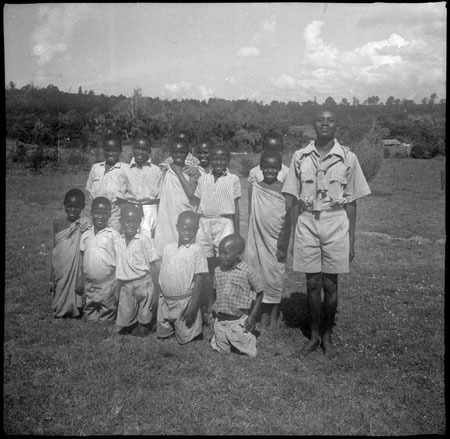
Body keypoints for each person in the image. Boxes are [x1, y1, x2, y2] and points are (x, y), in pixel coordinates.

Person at [282, 109, 371, 358]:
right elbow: (291, 199)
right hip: (308, 221)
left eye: (330, 120)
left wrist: (351, 240)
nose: (325, 123)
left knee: (331, 284)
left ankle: (327, 336)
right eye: (320, 119)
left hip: (335, 221)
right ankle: (312, 337)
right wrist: (292, 237)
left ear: (336, 126)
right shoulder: (300, 157)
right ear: (314, 124)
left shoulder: (348, 158)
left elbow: (352, 202)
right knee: (312, 283)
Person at [244, 150, 292, 331]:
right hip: (257, 238)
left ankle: (274, 312)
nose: (270, 171)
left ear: (280, 169)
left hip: (276, 239)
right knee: (258, 274)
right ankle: (263, 312)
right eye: (266, 167)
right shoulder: (255, 187)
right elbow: (251, 213)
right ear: (260, 168)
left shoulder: (285, 189)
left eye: (274, 168)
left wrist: (283, 242)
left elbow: (289, 218)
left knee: (275, 275)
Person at [194, 144, 241, 319]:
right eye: (215, 159)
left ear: (228, 160)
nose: (219, 162)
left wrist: (236, 233)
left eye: (223, 159)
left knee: (225, 264)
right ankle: (207, 303)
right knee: (205, 265)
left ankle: (226, 303)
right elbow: (197, 203)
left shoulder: (233, 179)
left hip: (224, 222)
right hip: (204, 222)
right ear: (210, 160)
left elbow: (236, 208)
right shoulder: (203, 178)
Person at [157, 211, 208, 344]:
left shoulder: (197, 250)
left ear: (196, 230)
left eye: (191, 230)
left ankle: (190, 329)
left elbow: (199, 279)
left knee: (186, 338)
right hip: (166, 301)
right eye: (184, 229)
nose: (187, 233)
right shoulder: (168, 248)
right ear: (177, 227)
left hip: (184, 302)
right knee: (163, 336)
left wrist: (193, 305)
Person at [210, 234, 263, 358]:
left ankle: (247, 337)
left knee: (246, 350)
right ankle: (223, 337)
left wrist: (252, 316)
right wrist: (212, 310)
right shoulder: (218, 270)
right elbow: (214, 290)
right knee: (222, 350)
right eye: (220, 252)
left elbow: (260, 293)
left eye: (226, 253)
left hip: (238, 319)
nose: (221, 256)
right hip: (221, 318)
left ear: (238, 254)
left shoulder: (247, 271)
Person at [115, 203, 160, 337]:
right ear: (121, 222)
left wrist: (156, 291)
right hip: (126, 286)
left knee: (141, 332)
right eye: (127, 221)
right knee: (124, 327)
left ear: (139, 222)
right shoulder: (118, 241)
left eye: (134, 222)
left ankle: (148, 323)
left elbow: (153, 266)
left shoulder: (145, 240)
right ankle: (134, 321)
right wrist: (117, 290)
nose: (131, 225)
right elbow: (119, 269)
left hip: (144, 285)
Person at [154, 138, 201, 256]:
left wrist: (179, 172)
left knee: (185, 246)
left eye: (182, 152)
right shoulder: (165, 170)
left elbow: (191, 194)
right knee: (166, 244)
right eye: (176, 152)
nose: (179, 155)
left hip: (184, 212)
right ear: (171, 153)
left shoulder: (193, 172)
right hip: (167, 215)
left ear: (187, 154)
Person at [50, 189, 91, 318]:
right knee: (60, 286)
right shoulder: (58, 224)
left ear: (82, 207)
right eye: (69, 206)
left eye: (77, 207)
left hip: (75, 267)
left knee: (74, 287)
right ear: (64, 205)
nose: (73, 210)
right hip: (60, 267)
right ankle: (60, 307)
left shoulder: (84, 225)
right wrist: (51, 276)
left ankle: (74, 308)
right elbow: (55, 249)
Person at [80, 197, 121, 323]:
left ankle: (106, 322)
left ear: (109, 215)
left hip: (107, 283)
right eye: (97, 213)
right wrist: (81, 280)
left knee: (107, 309)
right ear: (91, 213)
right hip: (90, 283)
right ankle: (92, 319)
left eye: (104, 214)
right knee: (89, 310)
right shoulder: (86, 234)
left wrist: (117, 287)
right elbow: (82, 259)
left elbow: (120, 261)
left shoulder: (113, 234)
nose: (100, 217)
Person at [116, 135, 162, 239]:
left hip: (149, 209)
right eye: (137, 148)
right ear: (133, 149)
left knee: (147, 238)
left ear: (149, 151)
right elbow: (120, 195)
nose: (140, 152)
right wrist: (125, 210)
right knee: (130, 237)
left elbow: (160, 198)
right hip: (131, 207)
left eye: (144, 149)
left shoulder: (156, 171)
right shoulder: (125, 170)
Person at [85, 133, 127, 231]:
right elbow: (89, 197)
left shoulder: (125, 170)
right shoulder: (96, 168)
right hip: (95, 219)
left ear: (120, 150)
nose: (110, 153)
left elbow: (126, 202)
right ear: (103, 150)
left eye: (114, 150)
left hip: (114, 221)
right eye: (107, 150)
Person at [247, 131, 289, 217]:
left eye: (276, 149)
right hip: (261, 215)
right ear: (263, 148)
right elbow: (252, 200)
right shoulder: (254, 172)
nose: (272, 152)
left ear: (281, 149)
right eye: (269, 149)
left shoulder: (287, 172)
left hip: (279, 216)